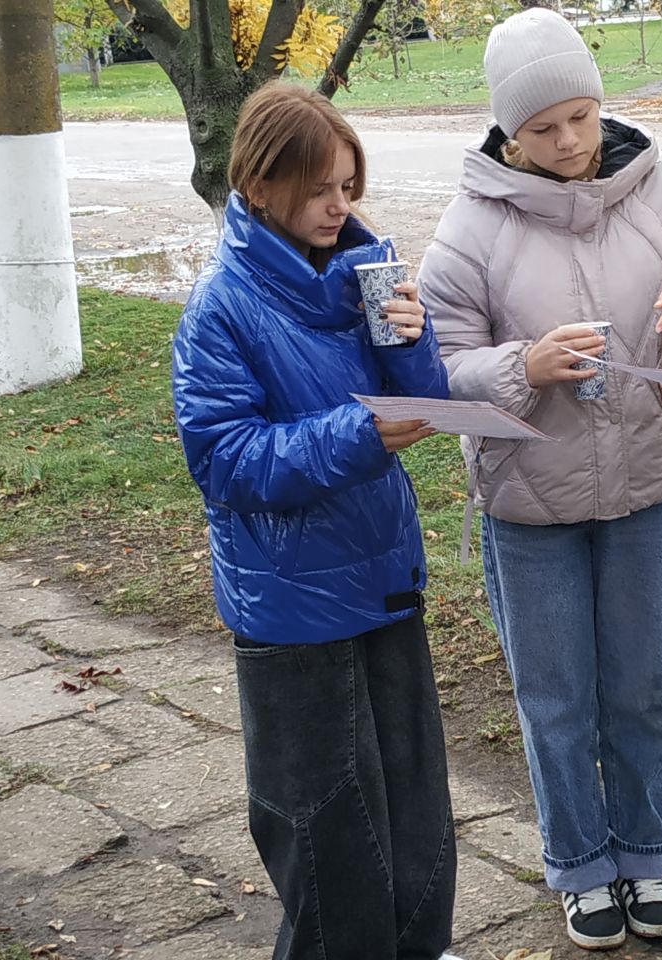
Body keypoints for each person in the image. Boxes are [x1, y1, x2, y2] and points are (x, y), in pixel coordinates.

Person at [418, 8, 662, 950]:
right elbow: (435, 370)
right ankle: (582, 867)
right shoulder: (471, 226)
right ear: (508, 131)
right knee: (556, 701)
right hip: (528, 506)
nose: (569, 142)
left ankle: (646, 857)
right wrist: (524, 366)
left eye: (580, 116)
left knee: (642, 690)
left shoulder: (653, 188)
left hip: (646, 490)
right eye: (542, 129)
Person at [171, 82, 457, 960]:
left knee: (414, 814)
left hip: (384, 579)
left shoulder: (364, 277)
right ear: (259, 187)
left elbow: (427, 402)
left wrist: (412, 339)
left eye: (348, 186)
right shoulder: (221, 308)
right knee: (329, 835)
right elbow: (225, 462)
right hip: (292, 606)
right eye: (321, 188)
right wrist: (357, 435)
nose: (341, 206)